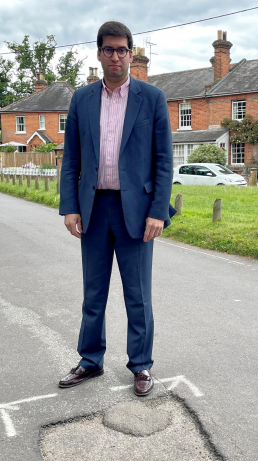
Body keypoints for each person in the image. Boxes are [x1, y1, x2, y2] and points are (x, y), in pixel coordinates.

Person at [58, 21, 175, 397]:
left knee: (137, 294)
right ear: (98, 53)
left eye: (122, 49)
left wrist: (158, 211)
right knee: (93, 293)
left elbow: (163, 161)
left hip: (137, 212)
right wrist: (70, 207)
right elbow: (72, 158)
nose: (116, 56)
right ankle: (90, 360)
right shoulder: (82, 99)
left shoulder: (152, 98)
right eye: (108, 49)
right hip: (93, 209)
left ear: (131, 53)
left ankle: (141, 365)